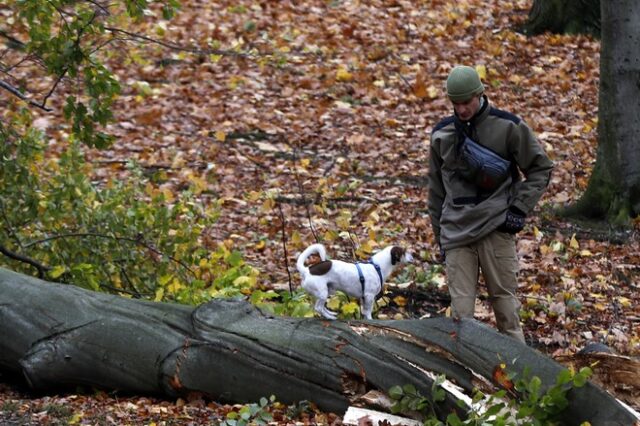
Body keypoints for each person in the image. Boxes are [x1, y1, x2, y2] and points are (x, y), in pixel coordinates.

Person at [427, 65, 553, 343]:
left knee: (507, 312)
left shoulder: (508, 126)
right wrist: (441, 239)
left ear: (480, 94)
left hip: (496, 228)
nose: (461, 109)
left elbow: (541, 168)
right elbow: (436, 193)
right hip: (456, 234)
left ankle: (520, 380)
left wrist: (519, 208)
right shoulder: (441, 135)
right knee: (460, 321)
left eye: (466, 102)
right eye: (455, 103)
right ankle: (465, 382)